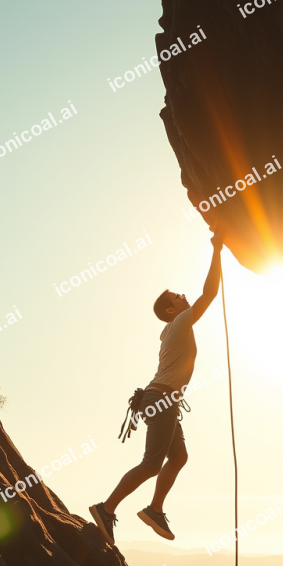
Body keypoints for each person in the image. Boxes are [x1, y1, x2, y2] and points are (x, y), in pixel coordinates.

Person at [90, 227, 225, 543]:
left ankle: (153, 510)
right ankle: (105, 509)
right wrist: (217, 251)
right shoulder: (179, 324)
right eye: (178, 297)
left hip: (162, 400)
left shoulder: (174, 328)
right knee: (152, 463)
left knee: (178, 458)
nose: (183, 296)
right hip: (160, 399)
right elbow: (210, 294)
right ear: (170, 310)